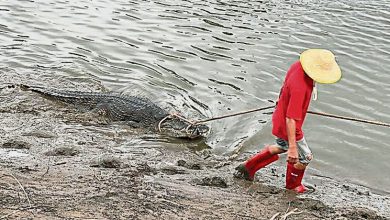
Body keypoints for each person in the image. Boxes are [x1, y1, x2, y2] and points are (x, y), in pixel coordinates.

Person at [234, 49, 342, 193]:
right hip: (289, 126)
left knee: (281, 145)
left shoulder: (297, 66)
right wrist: (293, 148)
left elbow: (284, 91)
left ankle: (248, 167)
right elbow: (291, 119)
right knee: (305, 157)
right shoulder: (301, 88)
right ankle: (294, 186)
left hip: (279, 116)